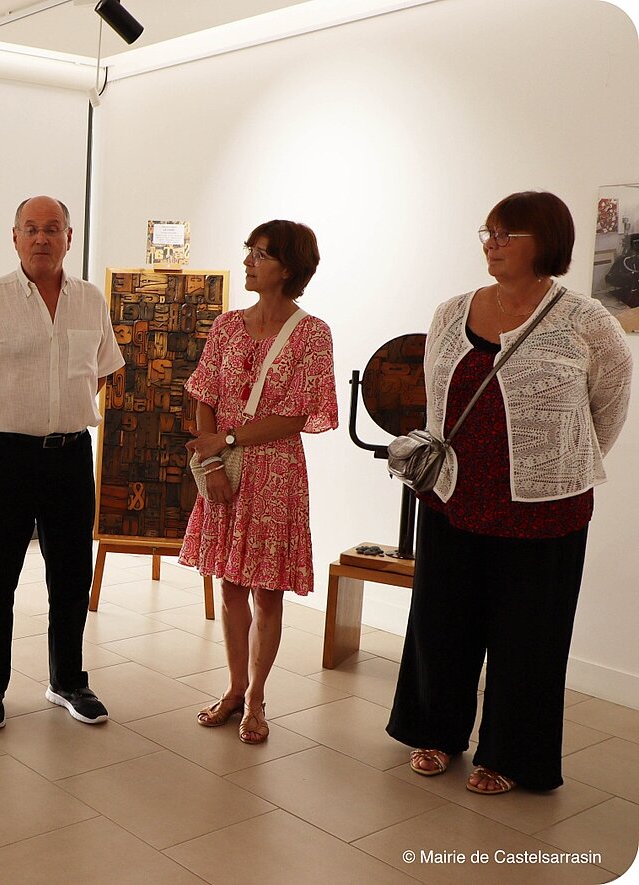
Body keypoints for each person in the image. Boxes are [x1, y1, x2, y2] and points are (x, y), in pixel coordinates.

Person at [387, 191, 631, 794]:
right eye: (488, 231)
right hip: (453, 495)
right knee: (442, 622)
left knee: (531, 636)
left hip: (544, 508)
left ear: (545, 243)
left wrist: (560, 463)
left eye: (507, 234)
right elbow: (436, 395)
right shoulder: (452, 311)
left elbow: (610, 406)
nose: (491, 243)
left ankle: (510, 753)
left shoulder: (587, 322)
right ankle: (435, 731)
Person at [0, 195, 125, 729]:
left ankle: (68, 680)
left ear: (70, 237)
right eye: (32, 229)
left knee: (70, 576)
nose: (42, 238)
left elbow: (102, 370)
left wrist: (61, 411)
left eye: (53, 229)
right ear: (15, 238)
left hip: (71, 456)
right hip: (4, 458)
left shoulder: (91, 300)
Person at [181, 220, 337, 745]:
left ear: (288, 268)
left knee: (267, 593)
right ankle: (232, 687)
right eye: (249, 251)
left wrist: (224, 443)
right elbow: (203, 392)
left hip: (275, 475)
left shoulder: (312, 334)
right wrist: (210, 466)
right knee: (229, 584)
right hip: (223, 469)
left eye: (261, 254)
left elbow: (300, 416)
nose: (248, 261)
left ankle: (256, 698)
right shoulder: (226, 326)